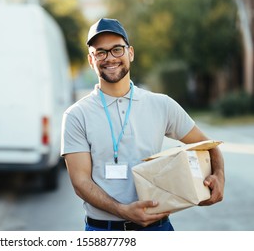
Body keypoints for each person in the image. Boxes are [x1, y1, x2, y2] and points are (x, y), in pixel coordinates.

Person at [60, 18, 225, 231]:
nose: (110, 58)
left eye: (117, 49)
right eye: (100, 52)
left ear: (130, 53)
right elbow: (80, 183)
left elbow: (208, 145)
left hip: (157, 229)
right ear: (91, 61)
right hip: (104, 230)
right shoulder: (76, 115)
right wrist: (122, 210)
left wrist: (219, 175)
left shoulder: (161, 104)